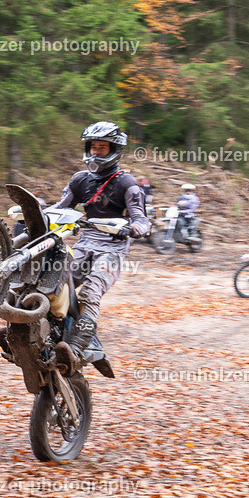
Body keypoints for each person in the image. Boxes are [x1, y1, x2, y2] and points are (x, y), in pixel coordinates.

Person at [53, 121, 150, 378]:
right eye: (93, 147)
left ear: (115, 150)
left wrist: (133, 228)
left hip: (112, 248)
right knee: (57, 283)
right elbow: (61, 207)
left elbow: (141, 218)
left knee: (92, 289)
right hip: (85, 243)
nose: (96, 152)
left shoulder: (127, 183)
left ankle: (80, 342)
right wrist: (37, 213)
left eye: (102, 148)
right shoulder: (80, 180)